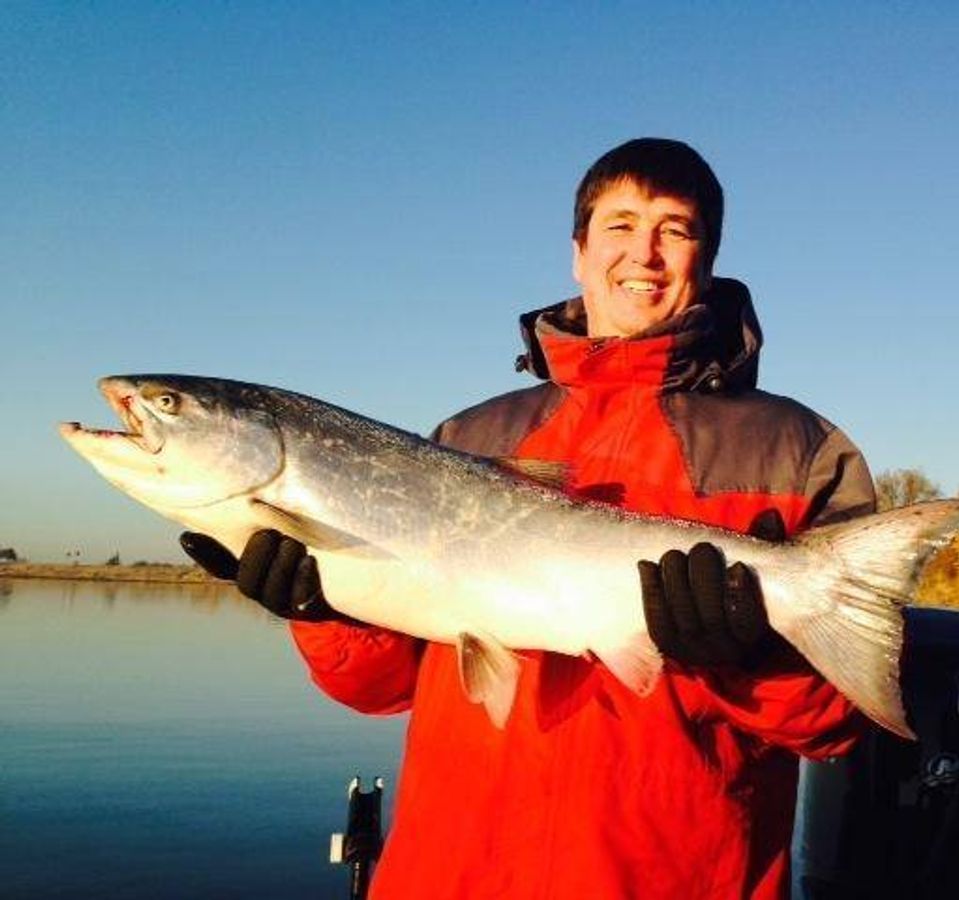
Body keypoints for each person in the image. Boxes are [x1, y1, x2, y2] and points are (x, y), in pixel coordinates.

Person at [184, 138, 877, 898]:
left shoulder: (796, 449)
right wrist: (319, 608)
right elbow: (382, 689)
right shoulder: (466, 438)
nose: (643, 254)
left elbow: (836, 724)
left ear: (705, 260)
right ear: (578, 252)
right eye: (619, 226)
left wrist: (752, 661)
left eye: (674, 230)